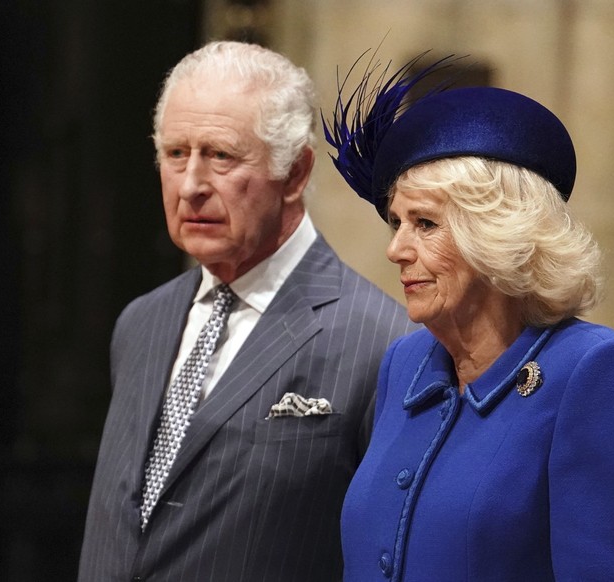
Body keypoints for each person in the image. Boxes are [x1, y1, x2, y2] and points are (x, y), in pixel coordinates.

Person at [78, 41, 415, 581]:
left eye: (221, 156)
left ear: (297, 173)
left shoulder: (383, 341)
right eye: (175, 154)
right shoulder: (140, 322)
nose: (191, 186)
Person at [324, 57, 614, 581]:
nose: (396, 249)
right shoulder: (405, 363)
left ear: (498, 236)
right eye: (397, 222)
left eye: (425, 223)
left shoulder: (598, 372)